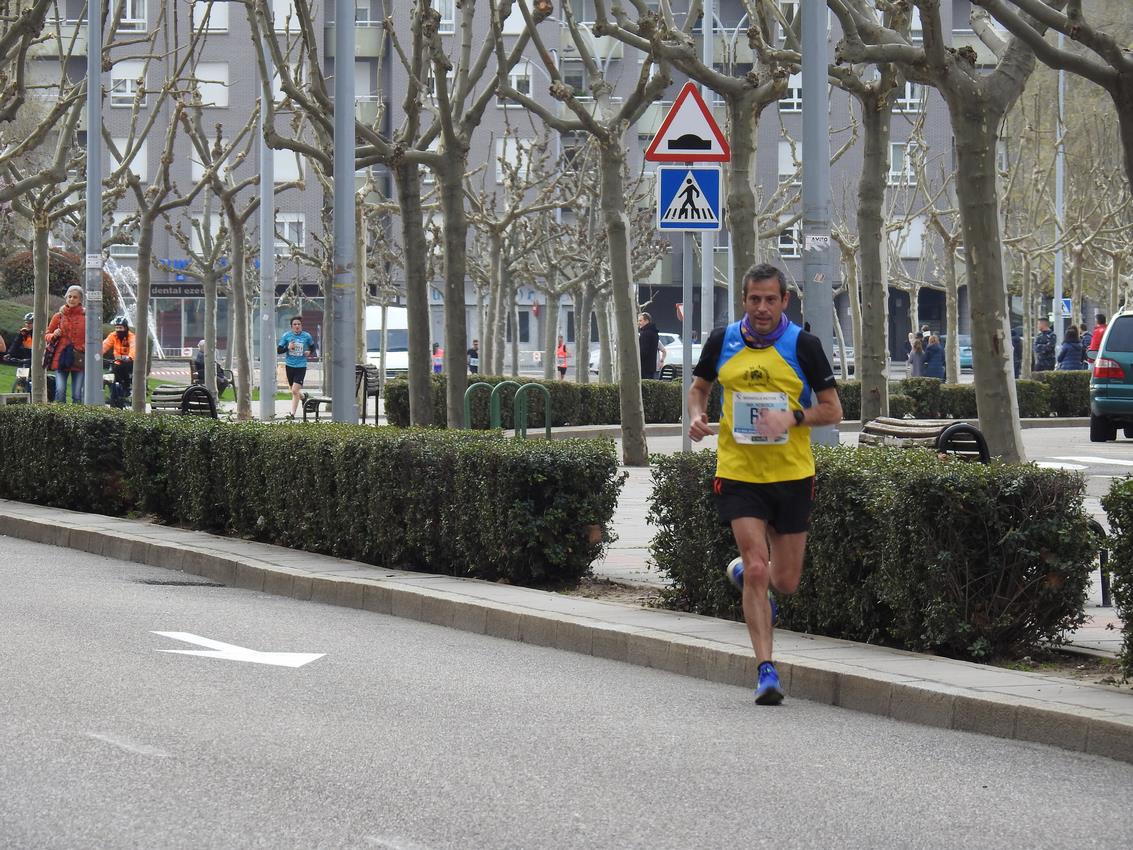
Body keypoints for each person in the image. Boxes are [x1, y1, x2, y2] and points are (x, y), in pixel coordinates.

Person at [687, 263, 842, 706]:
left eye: (770, 299)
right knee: (758, 568)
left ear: (784, 301)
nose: (761, 308)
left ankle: (743, 575)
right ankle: (766, 670)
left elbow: (832, 410)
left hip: (792, 475)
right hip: (738, 474)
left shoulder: (804, 346)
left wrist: (792, 417)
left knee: (786, 582)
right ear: (743, 300)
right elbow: (700, 388)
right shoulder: (722, 341)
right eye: (754, 299)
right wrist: (698, 415)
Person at [45, 285, 86, 403]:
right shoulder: (58, 316)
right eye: (69, 296)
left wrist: (83, 348)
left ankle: (78, 420)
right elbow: (47, 335)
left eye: (75, 297)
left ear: (80, 300)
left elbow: (93, 339)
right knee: (60, 390)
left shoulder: (86, 317)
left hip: (79, 359)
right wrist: (53, 335)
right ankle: (60, 419)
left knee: (77, 394)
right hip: (61, 358)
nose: (72, 299)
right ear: (66, 297)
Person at [277, 316, 316, 419]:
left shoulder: (306, 336)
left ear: (301, 325)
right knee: (294, 391)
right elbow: (279, 350)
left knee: (294, 390)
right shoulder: (286, 336)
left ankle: (292, 414)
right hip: (289, 366)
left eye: (299, 324)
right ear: (291, 326)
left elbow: (313, 347)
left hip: (301, 366)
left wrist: (309, 352)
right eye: (295, 324)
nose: (297, 326)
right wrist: (287, 347)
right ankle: (304, 397)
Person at [101, 315, 136, 408]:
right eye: (116, 328)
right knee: (109, 377)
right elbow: (105, 345)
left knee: (126, 374)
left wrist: (130, 357)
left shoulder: (131, 337)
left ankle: (128, 389)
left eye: (120, 328)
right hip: (117, 363)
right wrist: (97, 355)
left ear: (125, 328)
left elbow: (133, 347)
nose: (118, 330)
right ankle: (112, 395)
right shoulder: (113, 335)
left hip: (128, 363)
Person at [638, 312, 660, 380]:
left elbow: (643, 352)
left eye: (640, 320)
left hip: (643, 367)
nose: (638, 322)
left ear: (647, 321)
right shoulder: (654, 333)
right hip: (651, 367)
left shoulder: (645, 334)